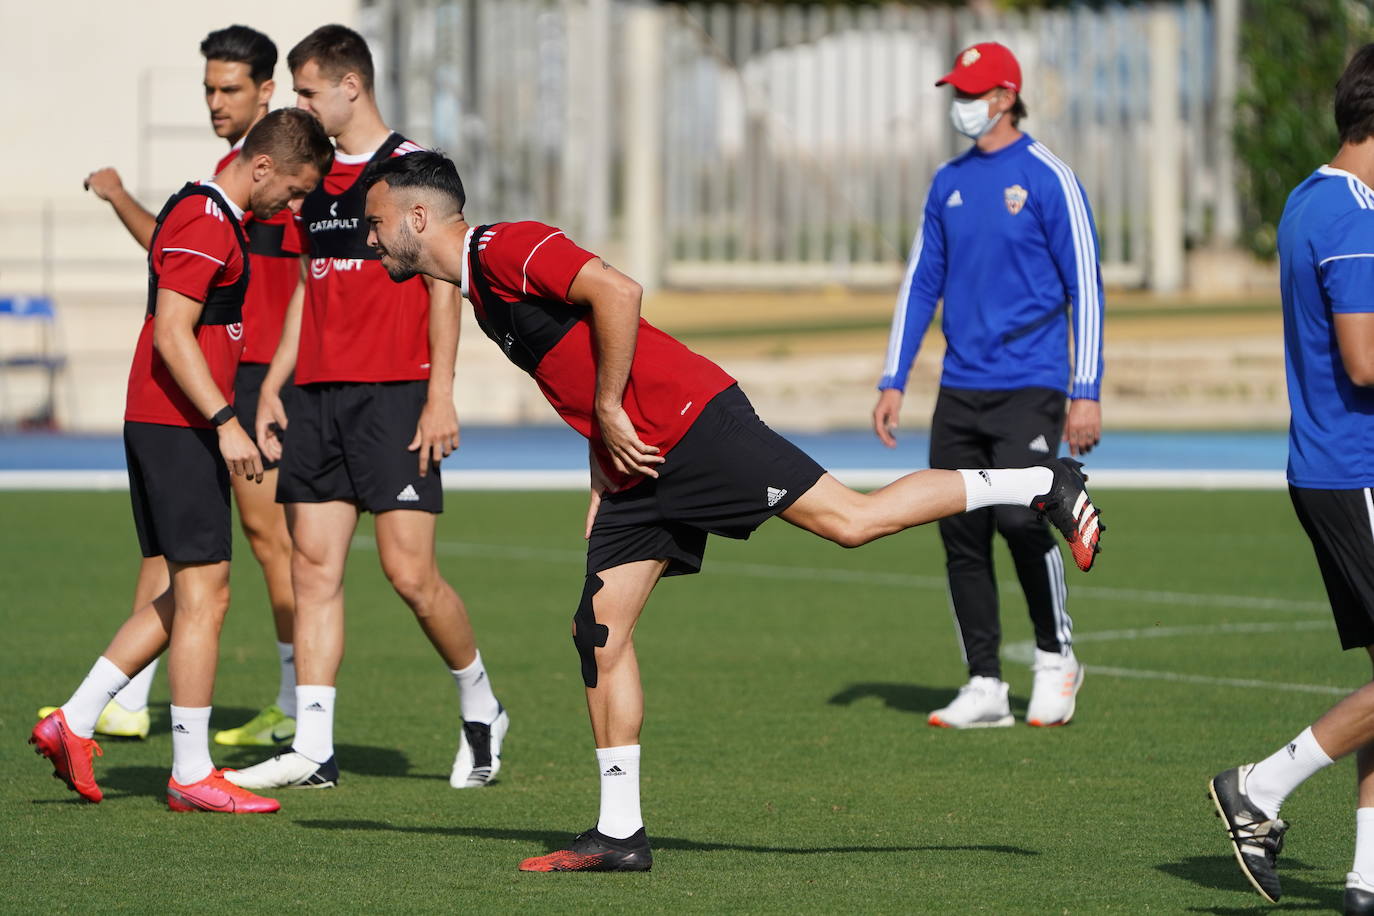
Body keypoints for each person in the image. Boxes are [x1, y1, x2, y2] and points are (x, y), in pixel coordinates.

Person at [357, 149, 1104, 871]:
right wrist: (602, 461)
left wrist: (613, 408)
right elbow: (578, 370)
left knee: (853, 521)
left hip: (693, 424)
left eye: (376, 219)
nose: (369, 235)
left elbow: (618, 293)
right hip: (637, 464)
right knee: (598, 631)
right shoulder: (476, 290)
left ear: (419, 216)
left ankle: (1038, 482)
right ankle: (620, 833)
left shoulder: (505, 248)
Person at [224, 25, 507, 793]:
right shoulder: (309, 176)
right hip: (315, 396)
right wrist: (278, 380)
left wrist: (441, 395)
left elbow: (444, 286)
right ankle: (315, 749)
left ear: (352, 86)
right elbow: (311, 286)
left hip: (396, 396)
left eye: (309, 90)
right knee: (314, 570)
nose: (299, 104)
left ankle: (481, 702)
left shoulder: (414, 169)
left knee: (409, 574)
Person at [29, 108, 333, 813]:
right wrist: (226, 421)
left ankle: (73, 720)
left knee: (186, 595)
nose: (291, 207)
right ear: (261, 168)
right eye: (291, 191)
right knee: (208, 596)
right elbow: (172, 332)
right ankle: (190, 773)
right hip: (178, 424)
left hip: (174, 422)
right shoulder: (206, 217)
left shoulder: (208, 211)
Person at [57, 25, 304, 747]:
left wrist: (277, 385)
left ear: (268, 90)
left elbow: (287, 282)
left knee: (265, 540)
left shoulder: (280, 176)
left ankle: (293, 699)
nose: (214, 101)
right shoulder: (230, 183)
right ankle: (126, 703)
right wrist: (119, 197)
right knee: (179, 557)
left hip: (252, 378)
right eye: (208, 88)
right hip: (209, 383)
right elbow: (180, 262)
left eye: (229, 88)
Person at [871, 41, 1105, 730]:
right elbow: (921, 283)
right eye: (957, 91)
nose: (961, 104)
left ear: (1005, 97)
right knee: (960, 529)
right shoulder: (946, 181)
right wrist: (894, 378)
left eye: (972, 93)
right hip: (961, 387)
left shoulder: (1046, 176)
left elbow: (1084, 286)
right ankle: (985, 683)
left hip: (1030, 383)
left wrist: (1085, 388)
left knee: (1019, 516)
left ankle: (1057, 658)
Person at [1209, 44, 1374, 915]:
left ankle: (1367, 878)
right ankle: (1261, 787)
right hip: (1358, 471)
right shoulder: (1354, 215)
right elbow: (1364, 358)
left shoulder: (1312, 197)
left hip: (1330, 469)